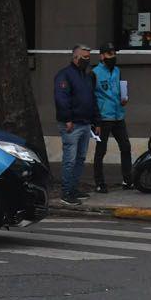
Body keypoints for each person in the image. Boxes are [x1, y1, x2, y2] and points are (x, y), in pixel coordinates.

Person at [53, 44, 100, 205]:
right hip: (72, 125)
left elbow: (92, 100)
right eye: (85, 57)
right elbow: (61, 99)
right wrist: (67, 119)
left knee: (80, 158)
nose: (87, 60)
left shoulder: (87, 76)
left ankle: (73, 188)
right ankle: (66, 192)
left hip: (85, 123)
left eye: (89, 57)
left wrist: (96, 121)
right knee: (70, 159)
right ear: (75, 57)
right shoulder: (64, 75)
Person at [91, 43, 132, 192]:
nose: (112, 57)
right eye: (109, 54)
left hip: (118, 116)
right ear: (102, 56)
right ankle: (99, 183)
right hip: (103, 118)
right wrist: (95, 120)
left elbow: (122, 91)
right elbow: (91, 98)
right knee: (101, 150)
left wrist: (124, 98)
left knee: (126, 147)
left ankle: (128, 180)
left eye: (114, 54)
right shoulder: (94, 73)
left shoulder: (117, 70)